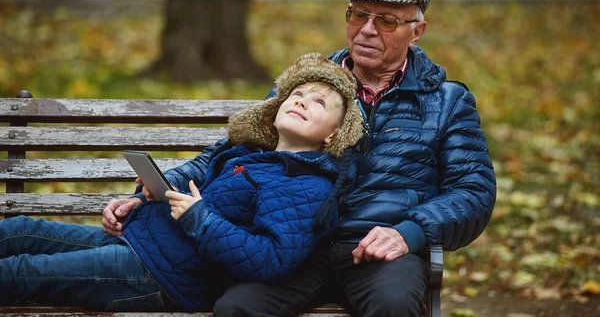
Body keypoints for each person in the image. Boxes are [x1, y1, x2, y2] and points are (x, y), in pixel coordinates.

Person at [132, 0, 496, 317]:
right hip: (295, 247)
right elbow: (234, 149)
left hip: (380, 251)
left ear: (416, 32)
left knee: (394, 307)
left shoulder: (446, 101)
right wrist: (164, 185)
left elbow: (473, 190)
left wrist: (409, 232)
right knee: (237, 307)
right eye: (358, 15)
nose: (367, 30)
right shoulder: (311, 84)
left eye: (386, 21)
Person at [0, 53, 364, 312]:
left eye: (318, 103)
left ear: (334, 135)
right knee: (17, 231)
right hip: (143, 242)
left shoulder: (305, 184)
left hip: (164, 277)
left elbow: (270, 259)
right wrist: (141, 200)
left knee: (22, 272)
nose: (301, 102)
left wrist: (201, 220)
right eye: (296, 95)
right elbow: (191, 184)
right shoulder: (250, 153)